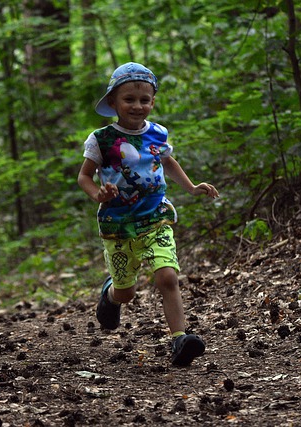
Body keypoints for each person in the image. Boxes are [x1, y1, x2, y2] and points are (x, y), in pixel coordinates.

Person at [77, 62, 219, 366]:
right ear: (113, 102)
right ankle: (111, 295)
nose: (138, 106)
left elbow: (168, 162)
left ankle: (179, 339)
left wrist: (192, 188)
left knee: (168, 276)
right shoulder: (101, 139)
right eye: (129, 99)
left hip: (156, 217)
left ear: (153, 102)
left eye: (145, 100)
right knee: (126, 292)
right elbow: (84, 177)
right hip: (118, 226)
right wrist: (97, 194)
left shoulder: (157, 133)